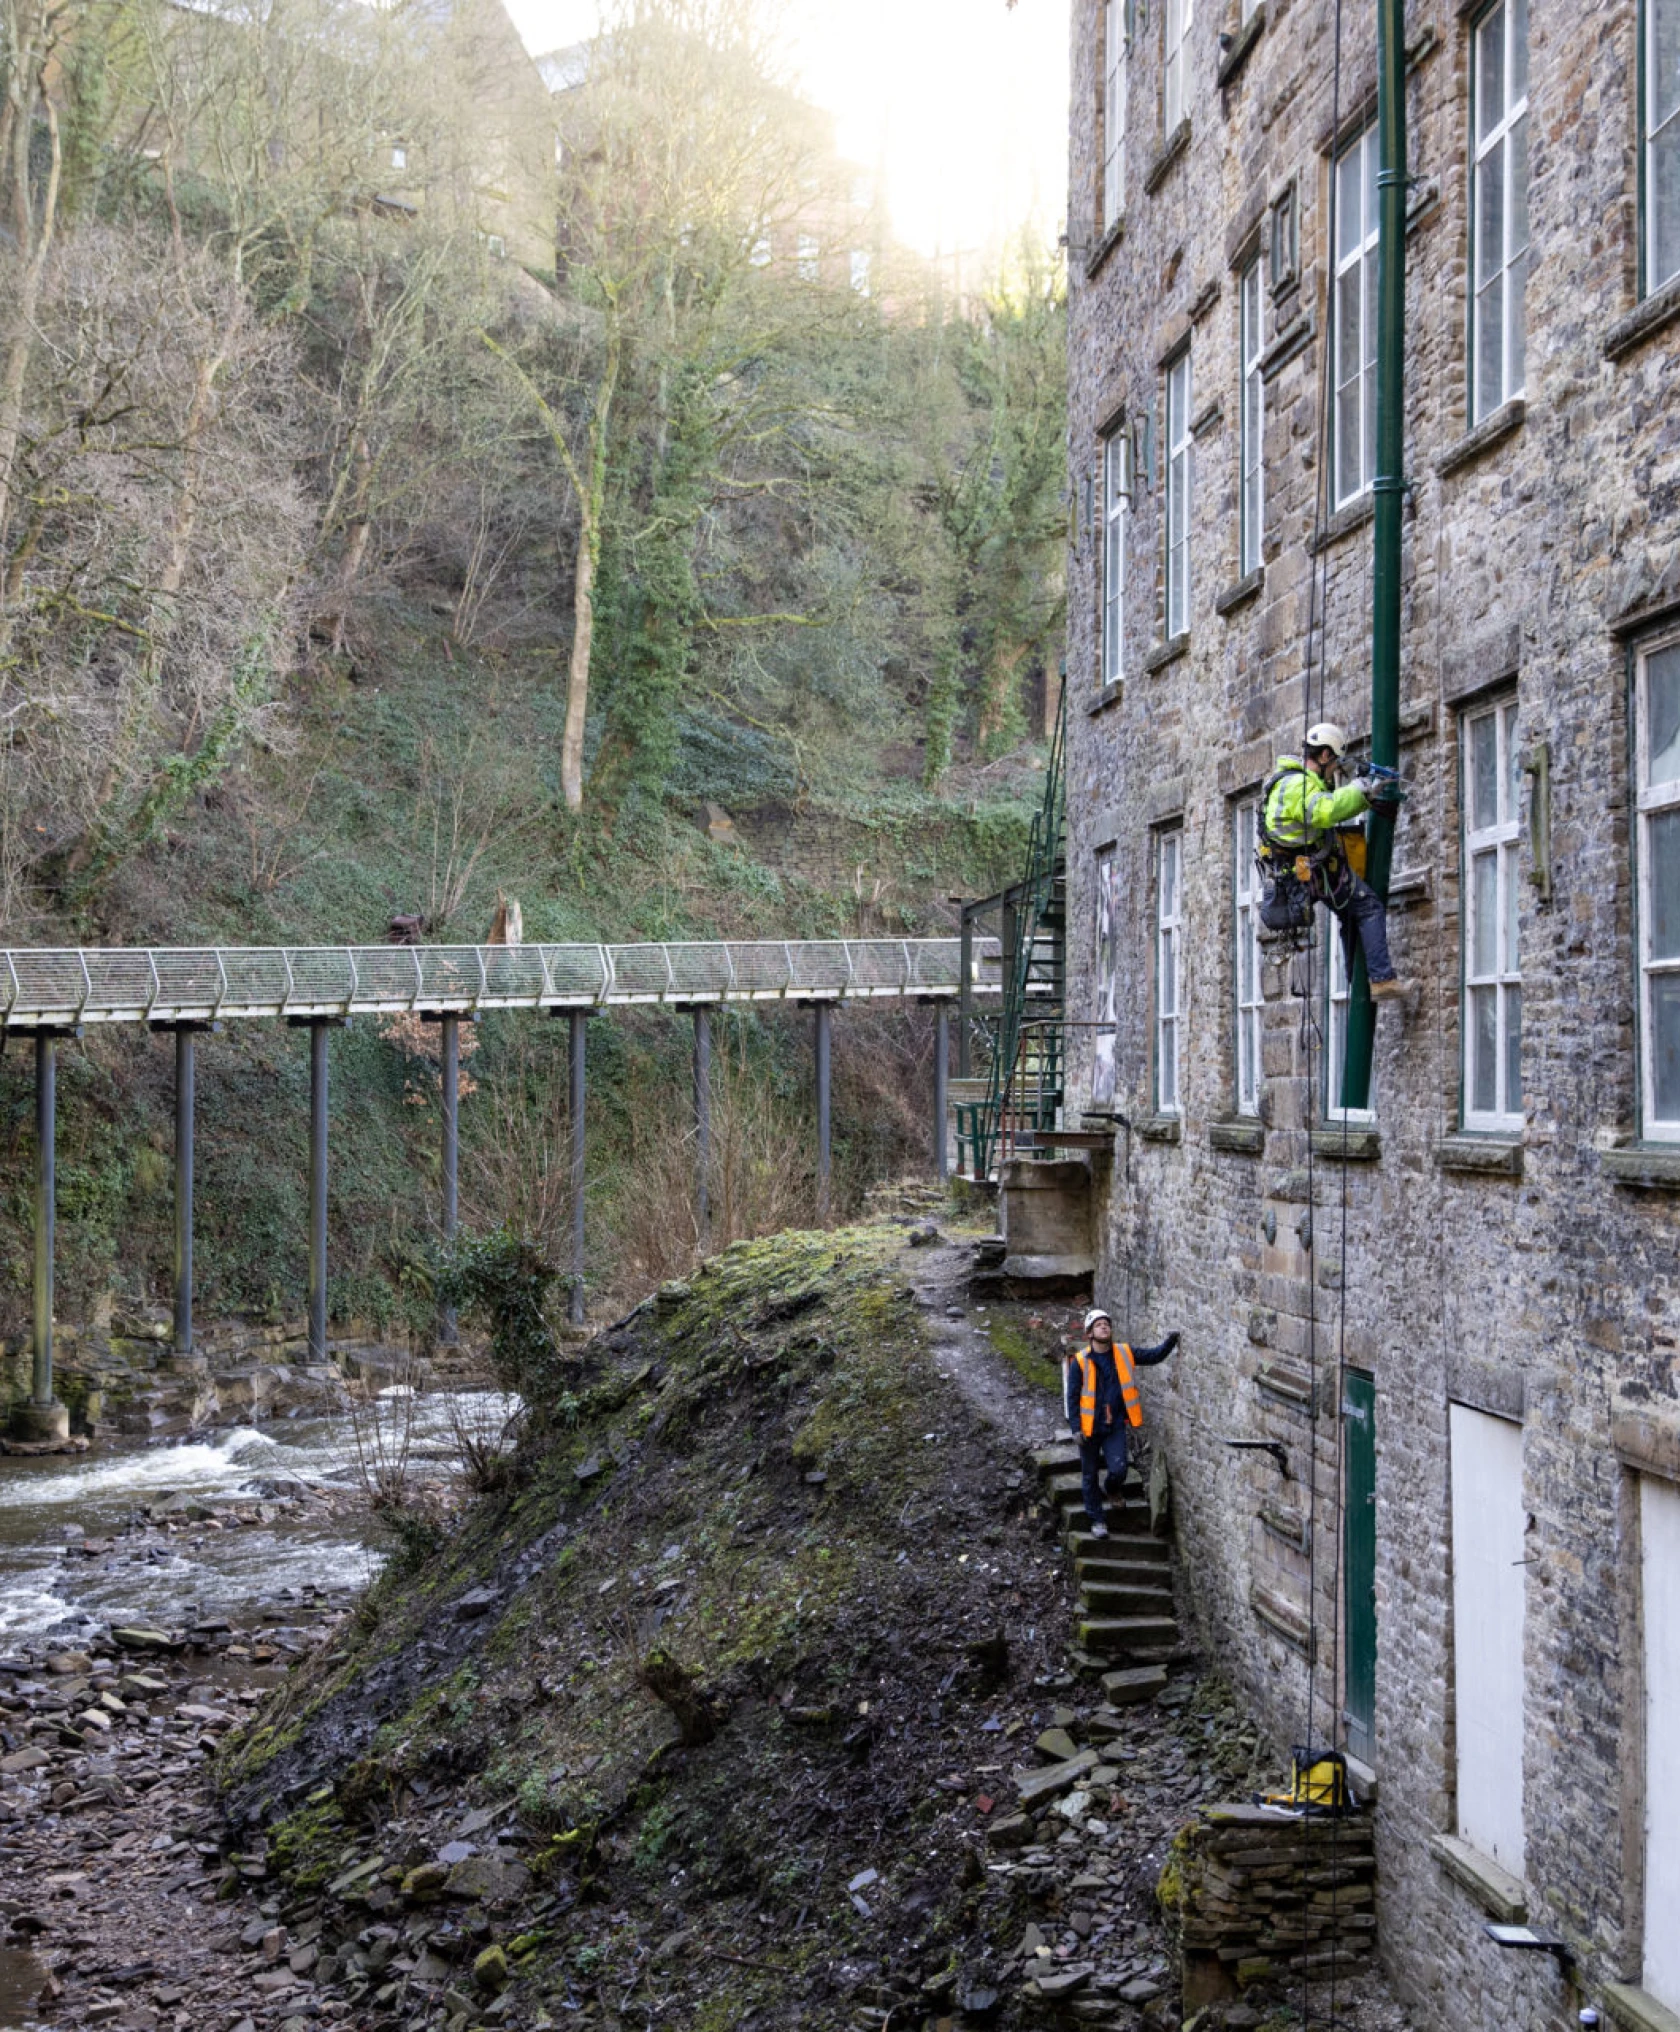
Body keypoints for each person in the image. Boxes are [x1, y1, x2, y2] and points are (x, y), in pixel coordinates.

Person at [1260, 723, 1409, 999]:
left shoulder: (1286, 781)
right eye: (1335, 763)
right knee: (1368, 906)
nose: (1334, 772)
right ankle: (1382, 979)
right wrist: (1361, 790)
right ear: (1326, 755)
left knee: (1348, 913)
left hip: (1299, 873)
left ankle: (1361, 984)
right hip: (1309, 873)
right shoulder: (1297, 786)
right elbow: (1324, 810)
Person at [1063, 1309, 1179, 1538]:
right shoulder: (1080, 1362)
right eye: (1098, 1325)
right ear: (1089, 1333)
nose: (1104, 1327)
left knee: (1119, 1469)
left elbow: (1153, 1356)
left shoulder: (1124, 1353)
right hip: (1089, 1428)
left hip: (1114, 1425)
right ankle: (1097, 1521)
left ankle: (1112, 1489)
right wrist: (1075, 1428)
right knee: (1089, 1475)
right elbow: (1072, 1397)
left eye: (1107, 1324)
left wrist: (1171, 1341)